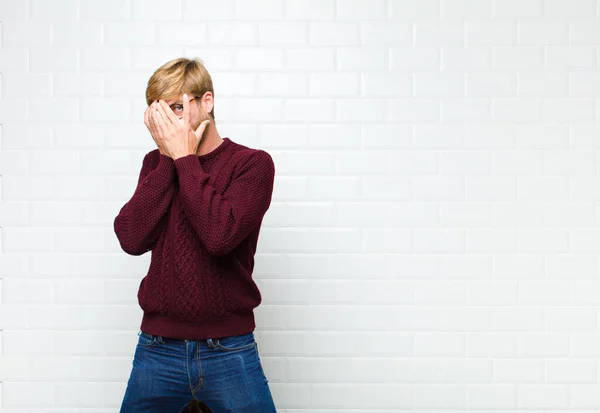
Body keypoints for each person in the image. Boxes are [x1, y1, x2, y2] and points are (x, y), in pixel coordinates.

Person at [114, 57, 277, 413]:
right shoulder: (155, 163)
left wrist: (184, 158)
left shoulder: (252, 164)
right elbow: (130, 237)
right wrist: (168, 159)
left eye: (176, 107)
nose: (168, 123)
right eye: (159, 112)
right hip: (158, 347)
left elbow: (219, 235)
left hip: (228, 348)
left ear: (207, 102)